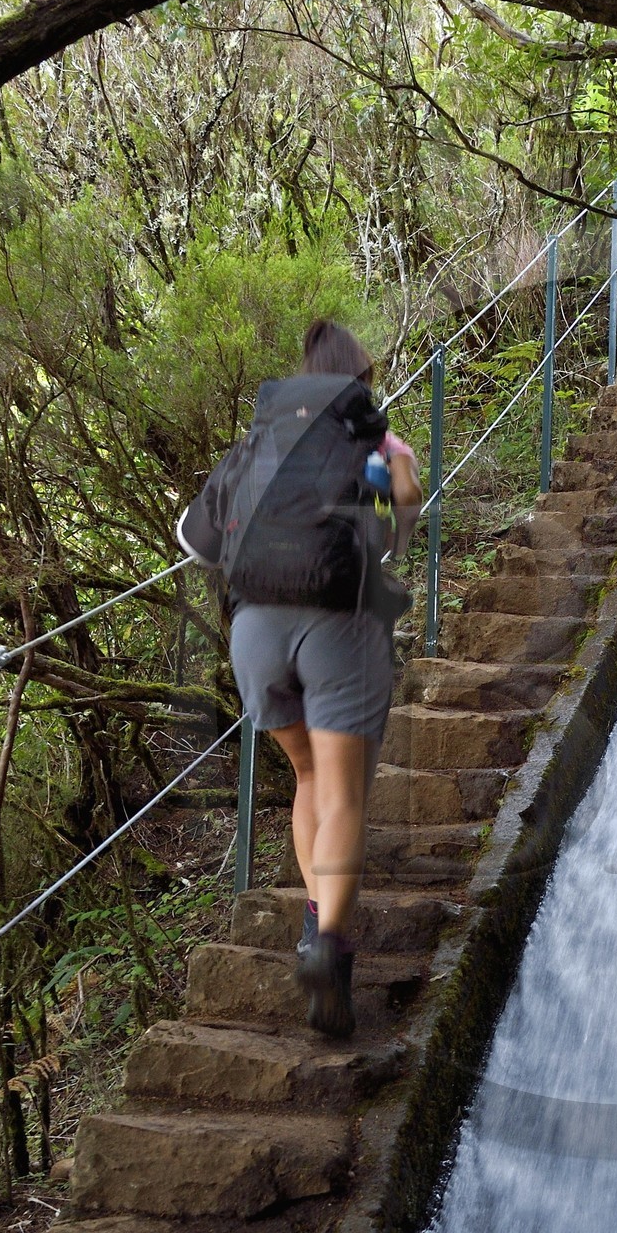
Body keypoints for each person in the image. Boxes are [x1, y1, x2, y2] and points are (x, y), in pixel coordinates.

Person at [180, 320, 421, 1037]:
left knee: (308, 778)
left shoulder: (258, 443)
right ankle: (329, 947)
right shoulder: (372, 436)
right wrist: (392, 548)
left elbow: (190, 538)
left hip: (253, 629)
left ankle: (317, 923)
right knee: (345, 791)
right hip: (336, 623)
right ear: (359, 379)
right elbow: (408, 495)